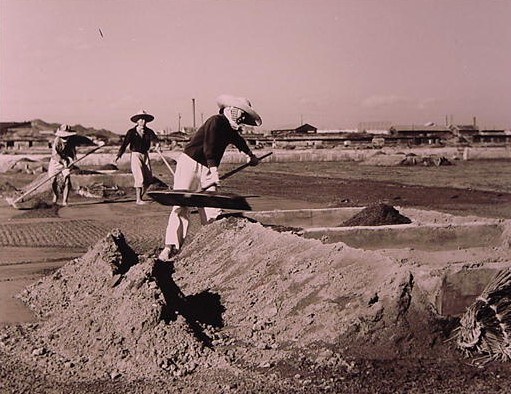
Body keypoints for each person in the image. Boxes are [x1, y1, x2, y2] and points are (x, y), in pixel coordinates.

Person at [158, 94, 262, 262]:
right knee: (181, 204)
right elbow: (209, 147)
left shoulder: (230, 129)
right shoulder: (216, 121)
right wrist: (214, 171)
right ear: (230, 109)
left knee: (213, 207)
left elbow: (239, 142)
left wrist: (251, 156)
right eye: (241, 113)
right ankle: (169, 249)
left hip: (207, 168)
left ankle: (215, 247)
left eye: (244, 116)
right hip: (190, 164)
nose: (242, 118)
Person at [116, 110, 160, 205]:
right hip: (136, 155)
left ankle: (141, 197)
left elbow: (155, 139)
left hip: (145, 154)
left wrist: (157, 144)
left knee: (148, 178)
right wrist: (119, 154)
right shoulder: (131, 132)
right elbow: (125, 144)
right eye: (141, 120)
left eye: (144, 120)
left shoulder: (149, 131)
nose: (143, 122)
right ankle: (138, 200)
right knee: (139, 177)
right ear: (137, 121)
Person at [48, 124, 78, 206]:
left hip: (68, 161)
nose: (65, 138)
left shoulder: (72, 140)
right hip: (55, 162)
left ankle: (65, 201)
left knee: (67, 181)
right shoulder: (56, 142)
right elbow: (55, 155)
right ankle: (55, 196)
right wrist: (62, 161)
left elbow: (84, 140)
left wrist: (96, 142)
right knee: (53, 181)